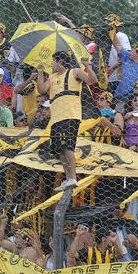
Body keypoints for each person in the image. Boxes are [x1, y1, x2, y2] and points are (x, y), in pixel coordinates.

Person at [37, 51, 97, 191]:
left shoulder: (74, 72)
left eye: (53, 61)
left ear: (60, 62)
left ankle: (73, 177)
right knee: (59, 149)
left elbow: (92, 80)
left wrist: (87, 66)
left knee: (67, 146)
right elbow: (42, 89)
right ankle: (68, 177)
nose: (51, 64)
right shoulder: (52, 77)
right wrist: (40, 73)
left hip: (70, 114)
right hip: (56, 117)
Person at [113, 38, 138, 103]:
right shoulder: (127, 57)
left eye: (133, 49)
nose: (130, 51)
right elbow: (117, 45)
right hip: (118, 95)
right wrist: (112, 32)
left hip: (133, 99)